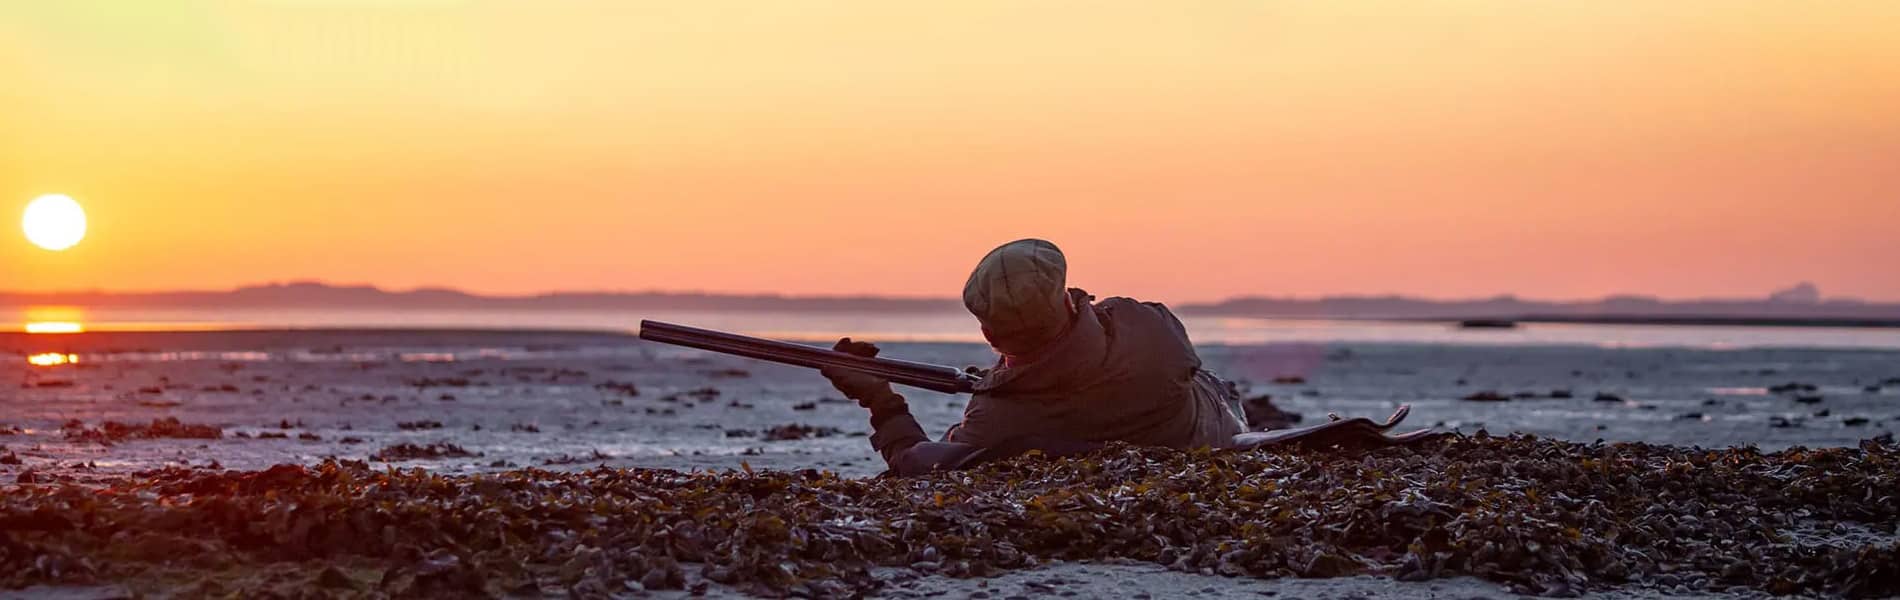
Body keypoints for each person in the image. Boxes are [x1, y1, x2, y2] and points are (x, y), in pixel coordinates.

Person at [821, 238, 1249, 475]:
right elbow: (1093, 327)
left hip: (1186, 426)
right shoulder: (1149, 329)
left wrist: (880, 398)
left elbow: (915, 460)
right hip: (1216, 418)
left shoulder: (996, 421)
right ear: (1064, 297)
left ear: (988, 332)